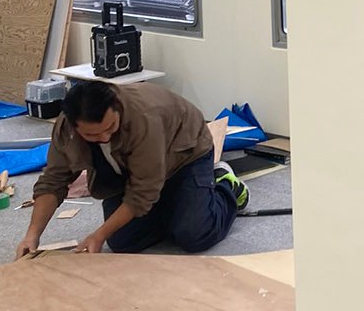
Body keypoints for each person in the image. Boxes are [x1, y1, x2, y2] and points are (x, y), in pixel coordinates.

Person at [15, 80, 249, 259]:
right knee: (123, 241)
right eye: (92, 135)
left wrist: (98, 234)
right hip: (129, 168)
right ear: (75, 126)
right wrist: (32, 235)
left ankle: (225, 185)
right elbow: (53, 182)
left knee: (194, 234)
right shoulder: (66, 128)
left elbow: (142, 192)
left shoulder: (144, 118)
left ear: (117, 108)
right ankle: (175, 205)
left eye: (110, 128)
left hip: (186, 155)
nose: (104, 137)